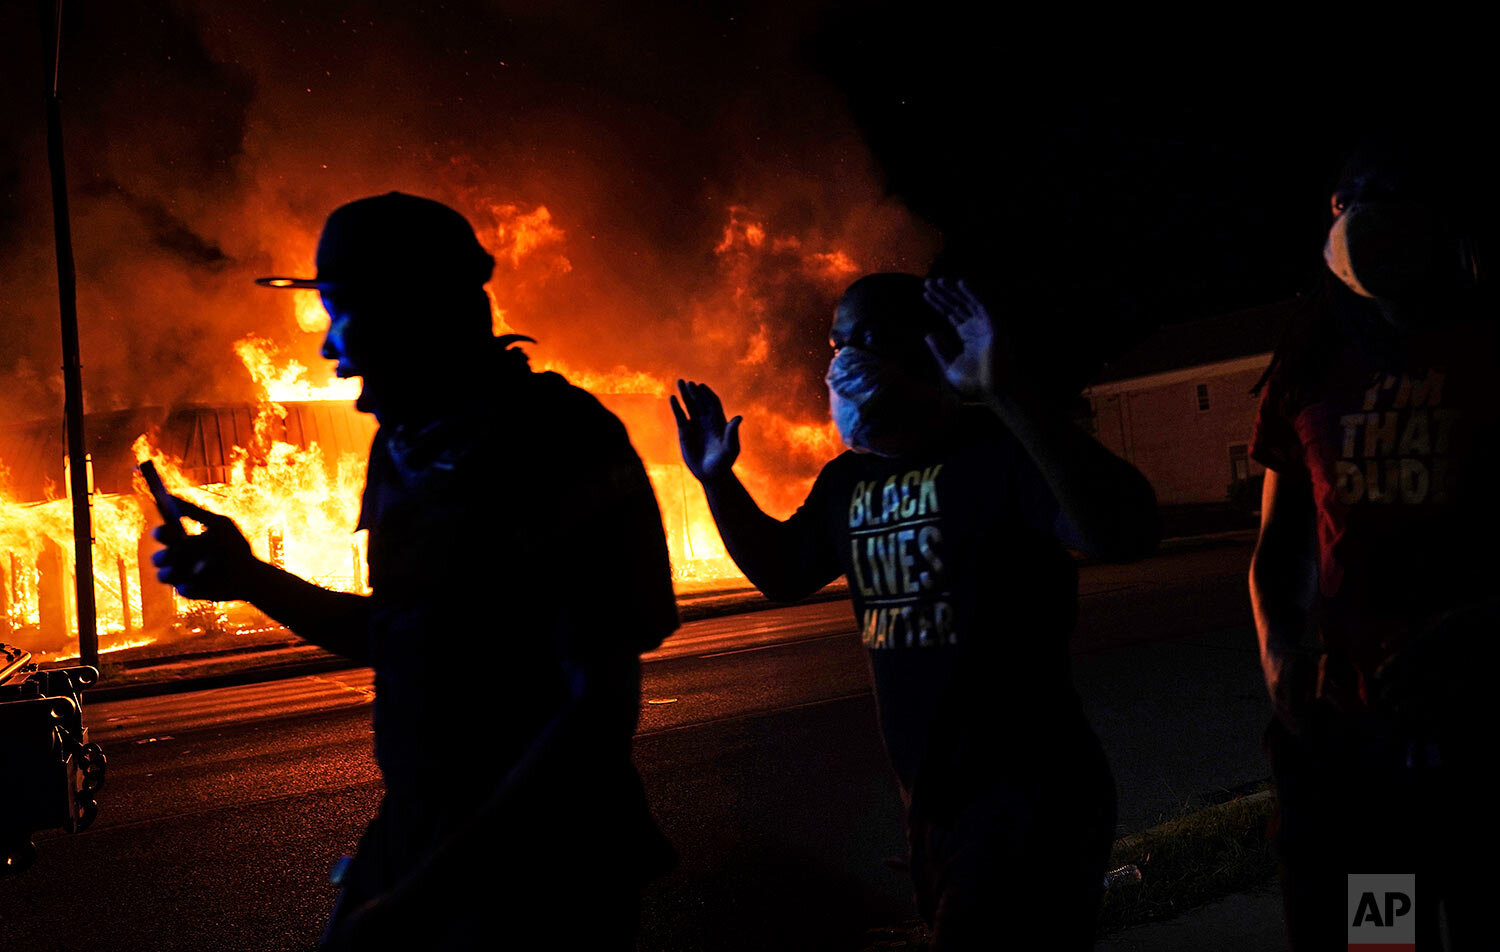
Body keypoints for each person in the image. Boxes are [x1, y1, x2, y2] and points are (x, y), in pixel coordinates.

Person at [151, 192, 679, 949]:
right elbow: (408, 634)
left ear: (414, 308)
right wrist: (252, 580)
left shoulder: (562, 441)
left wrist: (424, 899)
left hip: (549, 874)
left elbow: (595, 709)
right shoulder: (403, 451)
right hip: (417, 838)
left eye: (342, 312)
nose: (331, 350)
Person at [670, 273, 1158, 949]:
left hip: (1032, 800)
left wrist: (1006, 392)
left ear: (926, 347)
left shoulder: (996, 448)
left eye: (866, 340)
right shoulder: (847, 481)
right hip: (935, 812)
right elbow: (783, 572)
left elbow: (1124, 532)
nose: (844, 359)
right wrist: (718, 481)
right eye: (837, 342)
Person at [1249, 133, 1500, 949]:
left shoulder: (1496, 349)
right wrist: (1282, 654)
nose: (1364, 227)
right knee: (1383, 935)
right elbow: (1279, 544)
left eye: (1389, 207)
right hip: (1365, 762)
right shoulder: (1312, 361)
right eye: (1348, 207)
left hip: (1486, 749)